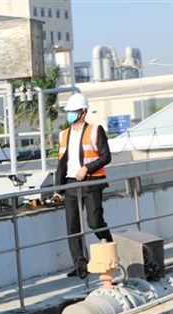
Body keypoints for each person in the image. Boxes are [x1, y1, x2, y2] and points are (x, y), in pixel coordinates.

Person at [54, 93, 113, 278]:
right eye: (68, 111)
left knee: (95, 222)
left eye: (73, 111)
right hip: (71, 183)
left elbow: (106, 156)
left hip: (91, 182)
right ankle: (80, 266)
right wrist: (58, 189)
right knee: (72, 226)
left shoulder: (95, 130)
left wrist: (87, 168)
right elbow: (62, 162)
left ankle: (110, 250)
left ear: (83, 112)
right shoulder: (64, 134)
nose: (69, 115)